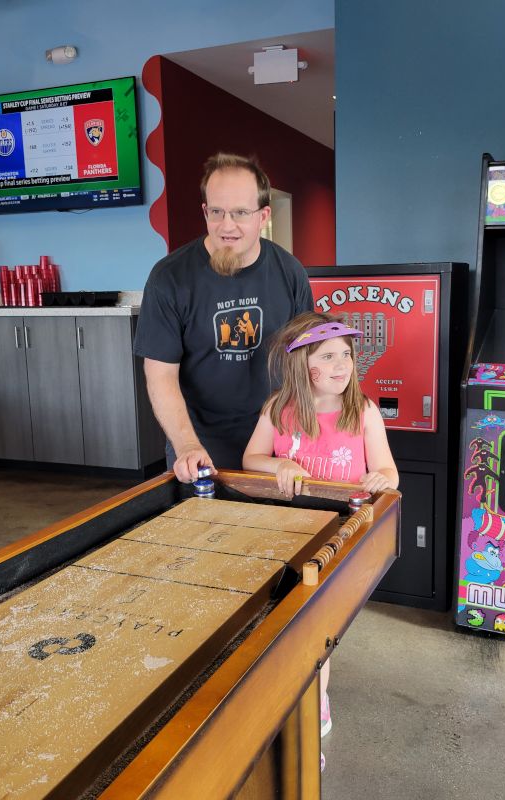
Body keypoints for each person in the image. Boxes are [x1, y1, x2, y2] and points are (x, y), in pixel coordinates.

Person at [242, 310, 399, 765]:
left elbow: (389, 471)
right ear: (300, 364)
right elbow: (252, 457)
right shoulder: (278, 409)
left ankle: (311, 710)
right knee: (289, 623)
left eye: (346, 355)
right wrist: (280, 465)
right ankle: (293, 698)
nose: (342, 364)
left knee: (317, 628)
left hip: (342, 534)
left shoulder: (363, 411)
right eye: (327, 355)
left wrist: (379, 479)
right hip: (288, 533)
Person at [133, 153, 314, 481]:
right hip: (200, 447)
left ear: (264, 215)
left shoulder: (290, 273)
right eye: (216, 212)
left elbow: (304, 360)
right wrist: (187, 445)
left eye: (241, 213)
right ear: (205, 211)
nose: (226, 226)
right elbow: (160, 375)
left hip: (277, 445)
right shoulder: (169, 278)